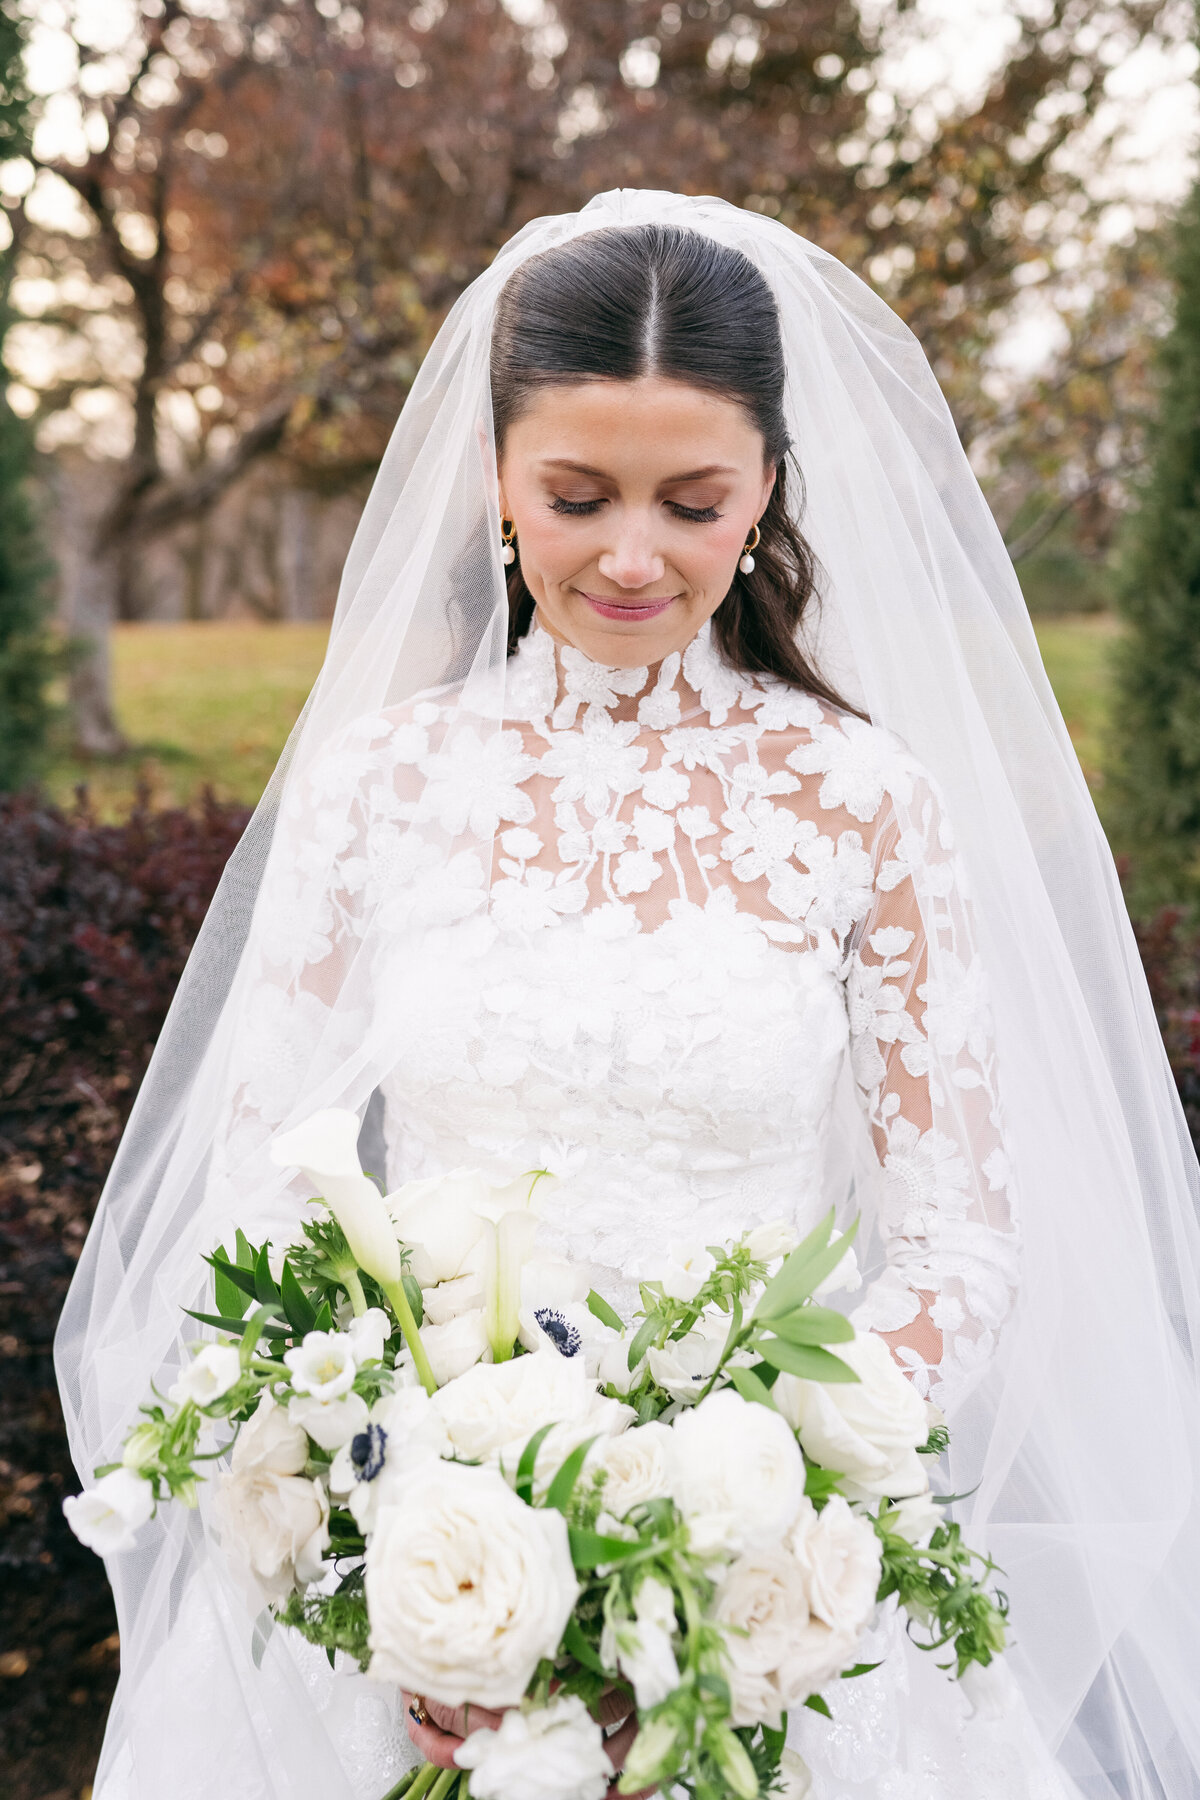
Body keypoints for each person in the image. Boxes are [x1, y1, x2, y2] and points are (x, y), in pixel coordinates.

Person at [56, 191, 1200, 1800]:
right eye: (578, 494)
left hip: (768, 1579)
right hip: (416, 1573)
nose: (634, 554)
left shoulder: (860, 800)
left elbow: (959, 1242)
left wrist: (757, 1506)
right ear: (496, 485)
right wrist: (400, 1538)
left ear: (770, 495)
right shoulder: (382, 785)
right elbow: (258, 1187)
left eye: (694, 500)